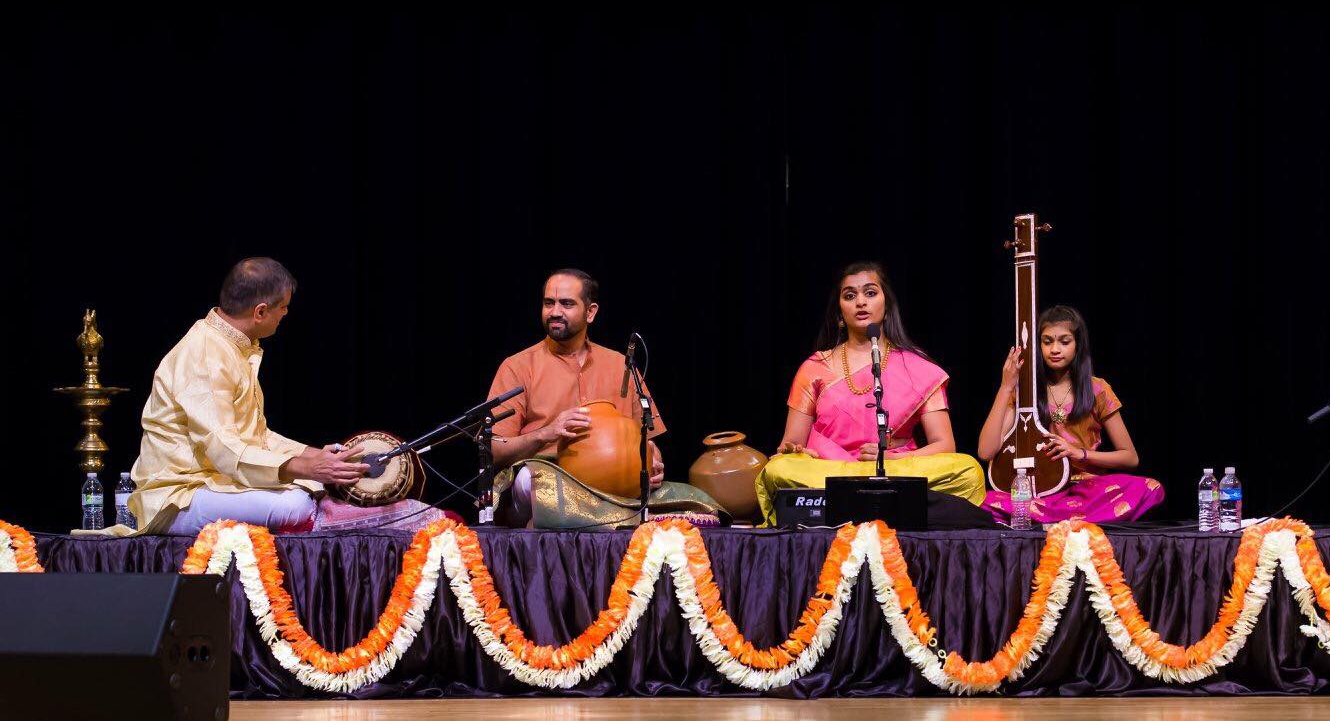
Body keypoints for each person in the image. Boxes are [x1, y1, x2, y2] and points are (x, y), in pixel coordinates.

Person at [129, 258, 440, 534]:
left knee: (311, 485)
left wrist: (314, 456)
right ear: (261, 311)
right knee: (294, 504)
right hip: (179, 495)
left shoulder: (231, 348)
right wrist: (306, 468)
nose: (285, 314)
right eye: (283, 308)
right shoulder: (205, 355)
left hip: (215, 483)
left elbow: (256, 435)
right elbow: (225, 449)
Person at [487, 268, 724, 528]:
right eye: (548, 303)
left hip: (617, 485)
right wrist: (548, 432)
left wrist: (654, 462)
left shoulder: (621, 366)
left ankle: (620, 518)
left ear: (591, 312)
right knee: (533, 484)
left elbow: (650, 442)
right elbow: (494, 449)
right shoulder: (518, 367)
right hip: (550, 476)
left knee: (697, 501)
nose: (554, 312)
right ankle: (628, 519)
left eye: (566, 303)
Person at [756, 261, 985, 526]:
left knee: (968, 470)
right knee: (777, 470)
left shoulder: (919, 368)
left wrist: (892, 457)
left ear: (886, 306)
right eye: (850, 296)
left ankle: (854, 506)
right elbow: (791, 443)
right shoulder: (814, 368)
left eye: (870, 292)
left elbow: (944, 444)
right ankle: (892, 506)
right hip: (831, 471)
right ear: (840, 314)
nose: (861, 302)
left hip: (895, 469)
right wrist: (794, 450)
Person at [977, 306, 1164, 524]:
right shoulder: (1024, 392)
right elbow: (985, 450)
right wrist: (1006, 387)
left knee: (1150, 488)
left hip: (1087, 491)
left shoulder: (1097, 389)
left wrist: (1079, 454)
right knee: (987, 502)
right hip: (1041, 492)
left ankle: (1056, 519)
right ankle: (1065, 519)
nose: (1055, 349)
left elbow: (1130, 458)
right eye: (1047, 341)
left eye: (1064, 342)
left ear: (1078, 345)